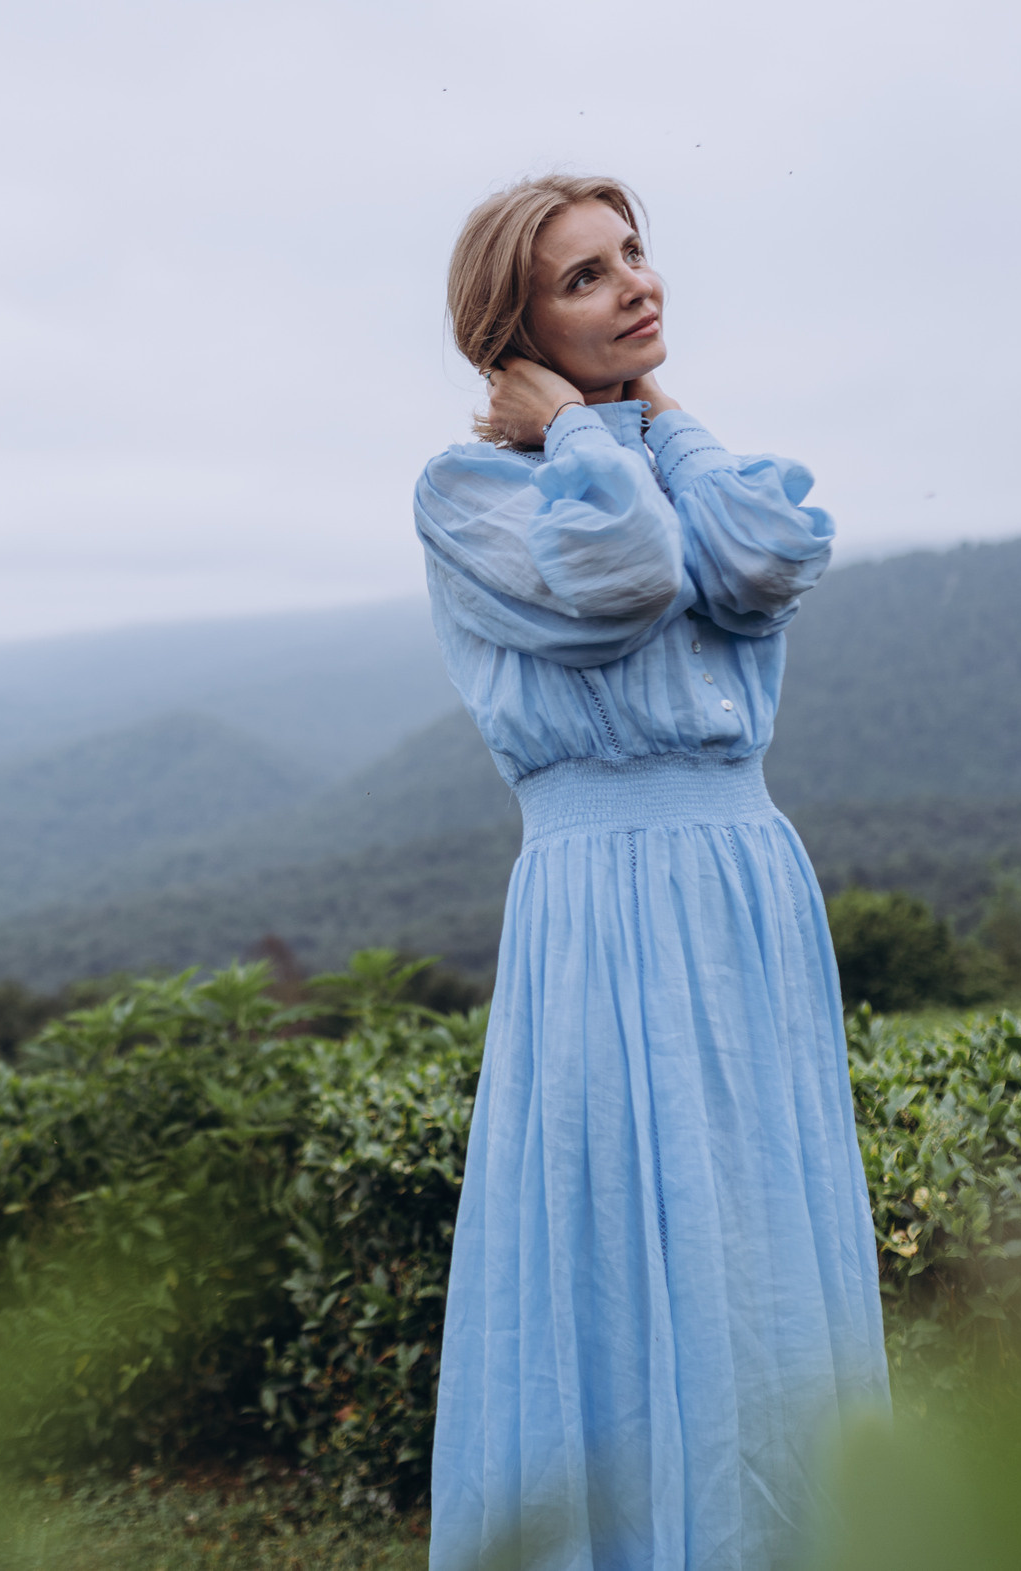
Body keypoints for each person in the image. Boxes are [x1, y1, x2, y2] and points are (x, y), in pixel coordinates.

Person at [414, 175, 889, 1571]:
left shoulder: (680, 469)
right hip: (602, 898)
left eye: (635, 257)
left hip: (745, 884)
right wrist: (569, 426)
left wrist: (658, 420)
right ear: (515, 328)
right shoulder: (471, 493)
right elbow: (620, 575)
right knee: (617, 1236)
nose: (636, 287)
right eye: (585, 279)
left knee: (758, 1240)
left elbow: (767, 550)